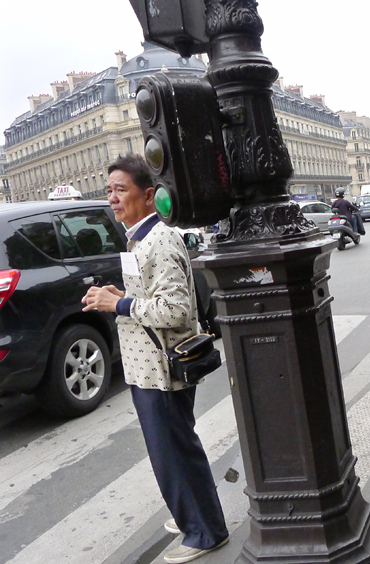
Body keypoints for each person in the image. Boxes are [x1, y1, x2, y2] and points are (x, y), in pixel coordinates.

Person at [81, 155, 229, 563]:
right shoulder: (139, 238)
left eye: (120, 189)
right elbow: (152, 299)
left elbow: (176, 310)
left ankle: (204, 532)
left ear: (149, 195)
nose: (112, 198)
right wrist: (117, 298)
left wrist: (120, 303)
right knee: (177, 449)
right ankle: (194, 518)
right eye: (108, 189)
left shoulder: (158, 240)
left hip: (161, 370)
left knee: (174, 454)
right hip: (148, 368)